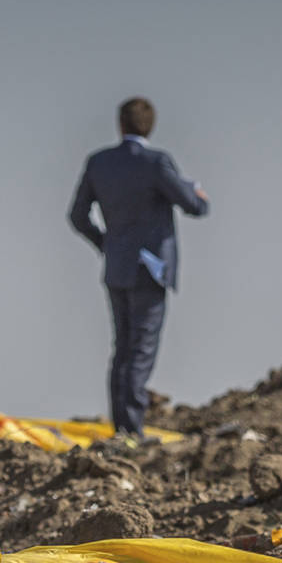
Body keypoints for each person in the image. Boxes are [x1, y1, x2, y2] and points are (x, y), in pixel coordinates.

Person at [67, 97, 210, 441]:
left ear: (120, 125)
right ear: (151, 125)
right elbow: (194, 206)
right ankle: (131, 429)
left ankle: (123, 425)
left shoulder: (99, 162)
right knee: (141, 347)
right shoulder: (156, 163)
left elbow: (77, 216)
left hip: (116, 266)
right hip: (150, 267)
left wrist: (105, 244)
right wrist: (197, 192)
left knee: (123, 348)